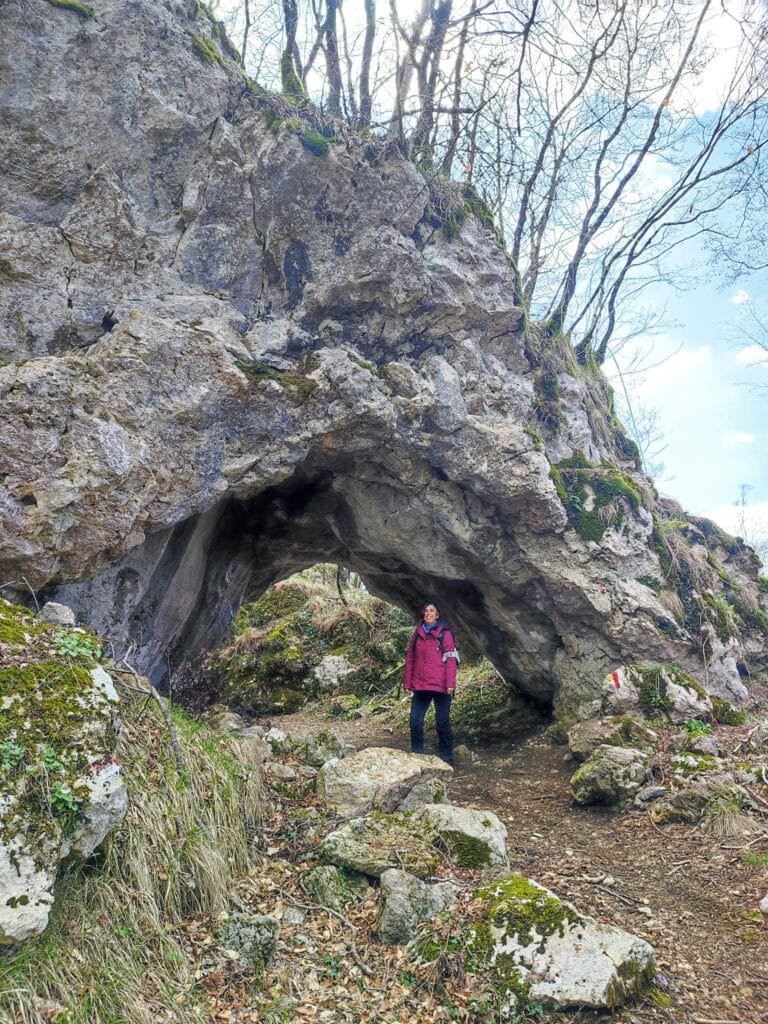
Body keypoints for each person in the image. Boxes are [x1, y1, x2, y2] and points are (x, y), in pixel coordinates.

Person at [403, 601, 459, 765]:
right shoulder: (418, 633)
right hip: (421, 685)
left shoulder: (445, 634)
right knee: (415, 720)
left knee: (442, 722)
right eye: (426, 611)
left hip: (442, 686)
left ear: (437, 614)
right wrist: (407, 683)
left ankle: (446, 756)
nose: (428, 613)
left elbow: (451, 659)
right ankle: (417, 754)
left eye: (432, 611)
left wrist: (451, 684)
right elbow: (411, 659)